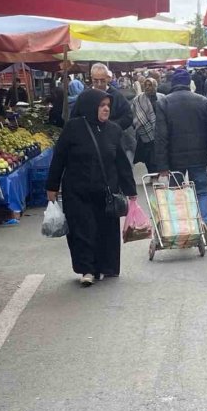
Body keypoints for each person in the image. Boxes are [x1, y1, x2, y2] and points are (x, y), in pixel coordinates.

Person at [45, 89, 137, 286]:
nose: (106, 109)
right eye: (102, 105)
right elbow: (59, 158)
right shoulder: (73, 128)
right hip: (77, 191)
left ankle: (104, 266)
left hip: (106, 193)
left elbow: (121, 162)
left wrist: (131, 192)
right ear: (90, 106)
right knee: (82, 230)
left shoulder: (113, 130)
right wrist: (52, 186)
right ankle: (87, 269)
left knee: (105, 231)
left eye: (108, 106)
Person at [153, 68, 207, 230]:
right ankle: (203, 222)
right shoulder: (202, 101)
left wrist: (162, 166)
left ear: (173, 83)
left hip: (175, 160)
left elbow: (161, 137)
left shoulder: (164, 102)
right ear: (188, 83)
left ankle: (183, 227)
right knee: (202, 191)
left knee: (177, 193)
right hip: (199, 157)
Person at [132, 76, 165, 173]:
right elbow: (134, 113)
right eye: (145, 85)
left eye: (150, 85)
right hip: (145, 132)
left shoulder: (162, 97)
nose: (147, 87)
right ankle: (152, 174)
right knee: (148, 156)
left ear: (155, 86)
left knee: (158, 154)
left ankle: (159, 173)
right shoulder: (138, 99)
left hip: (160, 132)